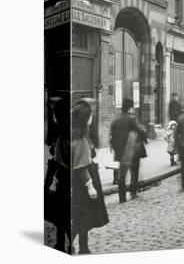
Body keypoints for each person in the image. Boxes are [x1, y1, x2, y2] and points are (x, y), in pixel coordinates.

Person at [71, 99, 109, 255]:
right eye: (90, 115)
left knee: (82, 216)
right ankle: (71, 243)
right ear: (85, 119)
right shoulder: (79, 139)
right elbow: (80, 166)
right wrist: (90, 185)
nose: (92, 118)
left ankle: (84, 247)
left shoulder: (78, 135)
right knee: (82, 216)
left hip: (80, 179)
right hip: (83, 181)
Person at [45, 98, 71, 252]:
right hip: (69, 177)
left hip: (62, 177)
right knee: (64, 213)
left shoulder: (61, 132)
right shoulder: (72, 129)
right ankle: (63, 244)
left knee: (61, 214)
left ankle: (63, 244)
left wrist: (54, 181)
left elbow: (58, 157)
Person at [110, 98, 148, 203]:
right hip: (132, 150)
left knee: (122, 174)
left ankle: (122, 198)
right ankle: (133, 193)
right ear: (130, 108)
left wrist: (115, 148)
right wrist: (144, 138)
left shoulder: (115, 120)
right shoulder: (132, 119)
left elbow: (112, 137)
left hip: (120, 151)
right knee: (134, 172)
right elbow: (141, 130)